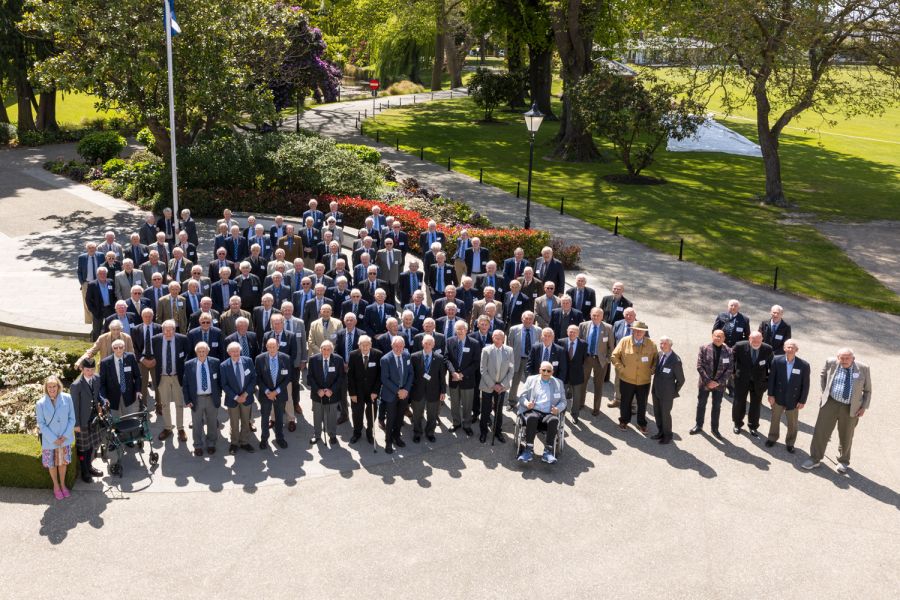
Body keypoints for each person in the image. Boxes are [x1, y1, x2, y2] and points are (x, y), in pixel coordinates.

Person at [803, 348, 873, 473]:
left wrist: (863, 407)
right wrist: (825, 392)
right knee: (821, 431)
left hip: (850, 407)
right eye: (842, 358)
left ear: (853, 358)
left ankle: (843, 461)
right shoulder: (831, 362)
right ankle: (815, 458)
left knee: (846, 435)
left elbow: (867, 390)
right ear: (837, 357)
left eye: (847, 358)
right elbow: (823, 375)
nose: (844, 361)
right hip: (830, 403)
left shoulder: (863, 368)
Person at [610, 321, 657, 433]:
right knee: (625, 402)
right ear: (632, 330)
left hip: (644, 381)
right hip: (627, 379)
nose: (638, 333)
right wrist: (621, 369)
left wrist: (652, 370)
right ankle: (624, 421)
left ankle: (642, 423)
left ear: (645, 332)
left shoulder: (652, 344)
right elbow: (614, 356)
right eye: (636, 330)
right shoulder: (624, 341)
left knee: (642, 403)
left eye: (641, 331)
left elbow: (656, 360)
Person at [516, 361, 566, 464]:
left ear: (552, 372)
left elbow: (564, 401)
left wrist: (558, 409)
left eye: (548, 371)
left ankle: (548, 452)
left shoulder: (558, 383)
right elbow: (522, 396)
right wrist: (527, 403)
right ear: (539, 370)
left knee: (554, 420)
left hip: (549, 412)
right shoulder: (531, 380)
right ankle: (528, 450)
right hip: (534, 410)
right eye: (543, 370)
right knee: (532, 418)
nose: (546, 373)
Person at [765, 339, 810, 453]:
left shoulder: (803, 365)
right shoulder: (776, 360)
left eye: (792, 347)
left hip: (794, 399)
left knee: (792, 423)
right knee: (775, 419)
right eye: (788, 347)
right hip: (778, 396)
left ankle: (790, 443)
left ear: (796, 350)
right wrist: (770, 394)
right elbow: (772, 379)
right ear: (784, 348)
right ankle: (772, 438)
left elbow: (806, 385)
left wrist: (802, 400)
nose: (790, 349)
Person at [36, 375, 76, 499]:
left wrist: (64, 436)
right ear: (46, 388)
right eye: (49, 387)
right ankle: (56, 486)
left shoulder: (67, 398)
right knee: (52, 464)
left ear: (58, 386)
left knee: (63, 463)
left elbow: (72, 418)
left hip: (64, 439)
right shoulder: (40, 403)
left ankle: (63, 485)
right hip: (49, 441)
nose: (52, 389)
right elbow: (41, 424)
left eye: (54, 386)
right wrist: (54, 438)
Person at [690, 330, 733, 439]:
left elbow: (730, 369)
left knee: (716, 406)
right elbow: (699, 366)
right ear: (712, 336)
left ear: (724, 338)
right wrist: (708, 381)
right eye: (716, 336)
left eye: (720, 337)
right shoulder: (704, 348)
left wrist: (717, 382)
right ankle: (698, 425)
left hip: (720, 385)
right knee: (701, 405)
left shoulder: (729, 351)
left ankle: (715, 428)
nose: (718, 338)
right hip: (705, 383)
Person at [182, 342, 222, 456]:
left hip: (211, 397)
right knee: (197, 423)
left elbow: (219, 380)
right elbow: (185, 384)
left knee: (212, 422)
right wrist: (187, 400)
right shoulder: (189, 364)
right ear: (196, 352)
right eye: (199, 351)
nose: (201, 353)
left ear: (207, 351)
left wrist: (218, 394)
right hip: (196, 399)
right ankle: (198, 445)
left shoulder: (215, 362)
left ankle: (211, 444)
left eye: (203, 351)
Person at [731, 331, 773, 436]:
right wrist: (733, 373)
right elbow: (731, 360)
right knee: (739, 403)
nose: (756, 342)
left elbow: (772, 366)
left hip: (759, 383)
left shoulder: (767, 349)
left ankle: (753, 426)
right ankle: (737, 424)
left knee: (756, 405)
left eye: (758, 340)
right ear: (749, 338)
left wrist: (767, 381)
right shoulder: (739, 346)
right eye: (753, 340)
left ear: (762, 339)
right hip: (741, 381)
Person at [152, 320, 188, 441]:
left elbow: (187, 355)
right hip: (162, 376)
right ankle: (167, 428)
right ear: (162, 330)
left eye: (170, 329)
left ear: (174, 329)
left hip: (177, 376)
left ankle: (180, 428)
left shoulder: (182, 339)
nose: (168, 332)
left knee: (179, 404)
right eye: (165, 330)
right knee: (165, 404)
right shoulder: (155, 340)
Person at [70, 359, 104, 482]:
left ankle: (90, 467)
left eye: (92, 369)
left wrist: (103, 401)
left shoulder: (96, 378)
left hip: (93, 418)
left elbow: (96, 395)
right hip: (82, 421)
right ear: (82, 369)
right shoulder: (76, 385)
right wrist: (76, 424)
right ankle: (84, 472)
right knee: (83, 448)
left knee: (91, 446)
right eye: (87, 370)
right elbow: (74, 406)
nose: (90, 372)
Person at [379, 336, 414, 454]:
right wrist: (398, 391)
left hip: (404, 394)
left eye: (401, 346)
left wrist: (406, 390)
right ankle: (388, 441)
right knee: (391, 419)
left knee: (400, 417)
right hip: (391, 394)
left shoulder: (407, 356)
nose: (399, 348)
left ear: (404, 346)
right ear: (392, 346)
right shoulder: (385, 359)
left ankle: (397, 437)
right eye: (396, 346)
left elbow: (410, 374)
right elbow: (385, 379)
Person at [220, 342, 256, 454]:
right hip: (232, 399)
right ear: (229, 352)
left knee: (246, 422)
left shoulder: (248, 361)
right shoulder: (224, 365)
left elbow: (253, 379)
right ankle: (234, 443)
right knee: (234, 423)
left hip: (246, 398)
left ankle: (244, 442)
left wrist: (245, 394)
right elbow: (224, 384)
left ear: (240, 351)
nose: (235, 353)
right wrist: (236, 397)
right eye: (233, 351)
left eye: (237, 351)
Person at [255, 337, 291, 450]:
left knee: (279, 417)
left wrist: (276, 391)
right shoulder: (260, 359)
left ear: (278, 346)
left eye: (274, 347)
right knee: (265, 417)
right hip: (265, 394)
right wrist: (267, 391)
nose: (271, 349)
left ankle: (279, 438)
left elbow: (288, 377)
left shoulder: (286, 358)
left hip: (280, 393)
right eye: (269, 347)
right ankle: (264, 438)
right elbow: (258, 378)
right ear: (266, 347)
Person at [308, 340, 346, 446]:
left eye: (328, 349)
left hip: (332, 394)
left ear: (332, 350)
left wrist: (331, 390)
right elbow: (310, 377)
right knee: (317, 416)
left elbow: (341, 378)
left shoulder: (338, 360)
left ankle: (332, 435)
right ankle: (317, 435)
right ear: (320, 349)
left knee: (332, 416)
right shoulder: (313, 359)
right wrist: (317, 390)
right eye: (323, 349)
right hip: (317, 394)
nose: (326, 351)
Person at [579, 307, 615, 417]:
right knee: (582, 383)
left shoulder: (608, 328)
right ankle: (580, 404)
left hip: (601, 360)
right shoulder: (583, 325)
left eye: (598, 315)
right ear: (590, 315)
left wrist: (608, 359)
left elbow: (611, 346)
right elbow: (579, 341)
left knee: (598, 386)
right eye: (593, 315)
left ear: (602, 317)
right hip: (587, 358)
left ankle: (596, 408)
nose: (595, 317)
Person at [446, 321, 480, 435]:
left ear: (466, 330)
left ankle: (467, 425)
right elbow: (447, 359)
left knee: (467, 404)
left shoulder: (474, 343)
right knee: (454, 403)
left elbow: (476, 362)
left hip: (468, 379)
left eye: (462, 329)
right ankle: (456, 423)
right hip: (454, 378)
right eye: (458, 329)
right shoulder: (450, 341)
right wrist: (453, 372)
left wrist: (462, 374)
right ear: (455, 330)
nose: (460, 331)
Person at [479, 330, 512, 442]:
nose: (498, 340)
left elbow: (511, 369)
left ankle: (498, 431)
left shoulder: (509, 351)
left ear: (504, 339)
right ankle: (483, 432)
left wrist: (502, 384)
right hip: (488, 385)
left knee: (498, 410)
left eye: (500, 338)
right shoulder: (486, 350)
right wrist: (493, 385)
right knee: (485, 410)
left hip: (502, 386)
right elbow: (483, 370)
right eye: (495, 338)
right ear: (492, 338)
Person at [347, 335, 382, 444]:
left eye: (367, 345)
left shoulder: (378, 354)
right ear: (359, 345)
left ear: (371, 345)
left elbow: (379, 375)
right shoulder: (353, 355)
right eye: (363, 345)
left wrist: (375, 391)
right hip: (357, 391)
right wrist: (352, 393)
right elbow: (350, 376)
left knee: (371, 414)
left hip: (372, 392)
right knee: (357, 413)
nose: (365, 347)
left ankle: (369, 432)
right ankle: (357, 432)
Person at [651, 336, 685, 444]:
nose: (662, 346)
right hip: (656, 390)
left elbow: (681, 380)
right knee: (657, 413)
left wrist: (673, 392)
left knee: (665, 415)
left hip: (667, 394)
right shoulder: (660, 354)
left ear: (670, 345)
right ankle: (660, 432)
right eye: (661, 343)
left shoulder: (676, 360)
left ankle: (667, 435)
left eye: (665, 344)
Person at [98, 339, 142, 418]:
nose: (118, 349)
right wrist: (104, 398)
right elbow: (102, 383)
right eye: (116, 348)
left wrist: (138, 390)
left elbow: (137, 376)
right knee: (116, 422)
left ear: (124, 347)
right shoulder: (105, 362)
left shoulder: (130, 358)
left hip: (129, 395)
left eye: (121, 347)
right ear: (112, 349)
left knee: (130, 419)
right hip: (112, 397)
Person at [559, 325, 587, 424]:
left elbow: (584, 359)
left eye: (574, 332)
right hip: (564, 374)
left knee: (576, 397)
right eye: (570, 331)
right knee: (562, 396)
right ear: (567, 332)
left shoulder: (583, 344)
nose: (572, 334)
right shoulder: (561, 342)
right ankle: (561, 414)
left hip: (577, 374)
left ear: (578, 333)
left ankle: (575, 415)